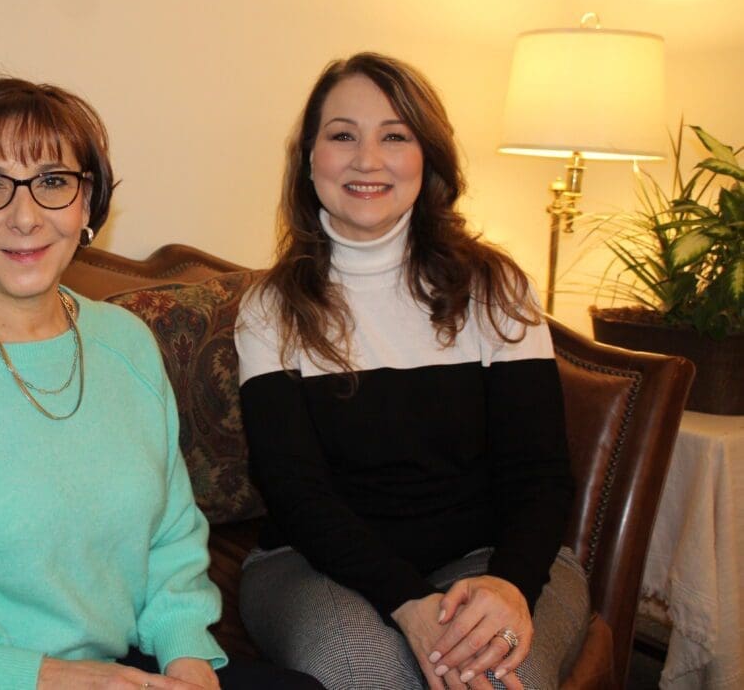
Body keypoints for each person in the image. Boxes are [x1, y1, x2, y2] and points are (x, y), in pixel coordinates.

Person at [0, 77, 320, 690]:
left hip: (120, 668)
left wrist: (187, 657)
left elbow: (170, 537)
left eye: (52, 182)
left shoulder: (127, 343)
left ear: (86, 203)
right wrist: (46, 677)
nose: (25, 218)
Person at [234, 54, 590, 690]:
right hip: (313, 566)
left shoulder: (495, 288)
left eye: (394, 135)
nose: (367, 159)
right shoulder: (272, 308)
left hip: (490, 558)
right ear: (308, 158)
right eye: (342, 134)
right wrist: (410, 604)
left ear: (427, 158)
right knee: (366, 674)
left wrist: (508, 585)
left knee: (500, 680)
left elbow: (539, 475)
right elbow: (296, 493)